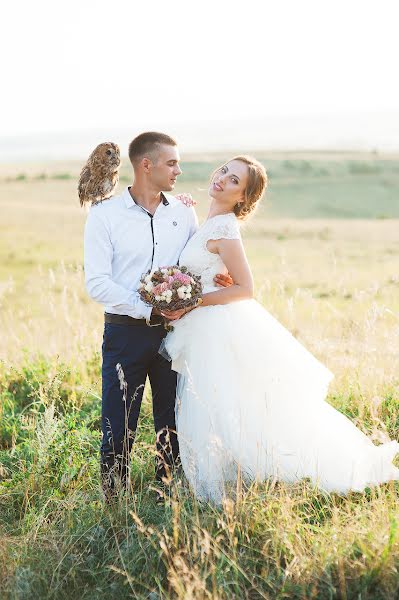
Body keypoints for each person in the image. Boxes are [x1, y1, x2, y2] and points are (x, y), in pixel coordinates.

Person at [160, 155, 399, 504]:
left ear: (242, 197)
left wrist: (193, 302)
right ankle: (223, 477)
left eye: (233, 181)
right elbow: (207, 269)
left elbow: (245, 288)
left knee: (226, 403)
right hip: (202, 327)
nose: (222, 179)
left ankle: (238, 480)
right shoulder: (206, 221)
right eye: (225, 171)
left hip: (216, 327)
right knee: (216, 403)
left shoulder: (225, 228)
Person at [83, 132, 231, 501]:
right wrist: (148, 306)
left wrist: (217, 276)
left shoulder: (183, 212)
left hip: (177, 332)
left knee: (173, 418)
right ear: (146, 165)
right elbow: (97, 283)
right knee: (118, 424)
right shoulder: (105, 215)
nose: (178, 170)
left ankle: (167, 497)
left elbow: (193, 264)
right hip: (125, 334)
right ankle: (114, 503)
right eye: (171, 163)